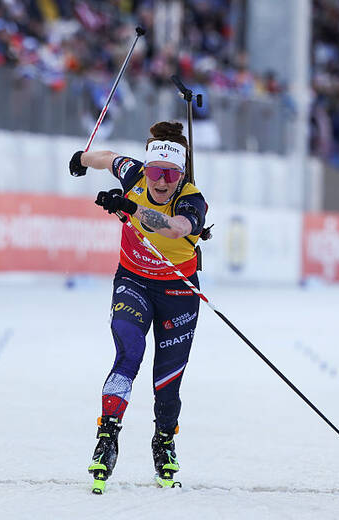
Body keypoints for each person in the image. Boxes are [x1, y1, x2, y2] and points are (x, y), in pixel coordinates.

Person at [68, 121, 208, 492]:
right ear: (145, 169)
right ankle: (107, 436)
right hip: (133, 281)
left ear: (180, 175)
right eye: (155, 172)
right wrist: (83, 158)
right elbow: (108, 158)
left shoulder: (191, 200)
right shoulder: (134, 175)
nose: (161, 182)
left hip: (178, 292)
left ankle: (164, 439)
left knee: (167, 380)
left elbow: (175, 229)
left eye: (170, 174)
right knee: (129, 352)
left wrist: (129, 206)